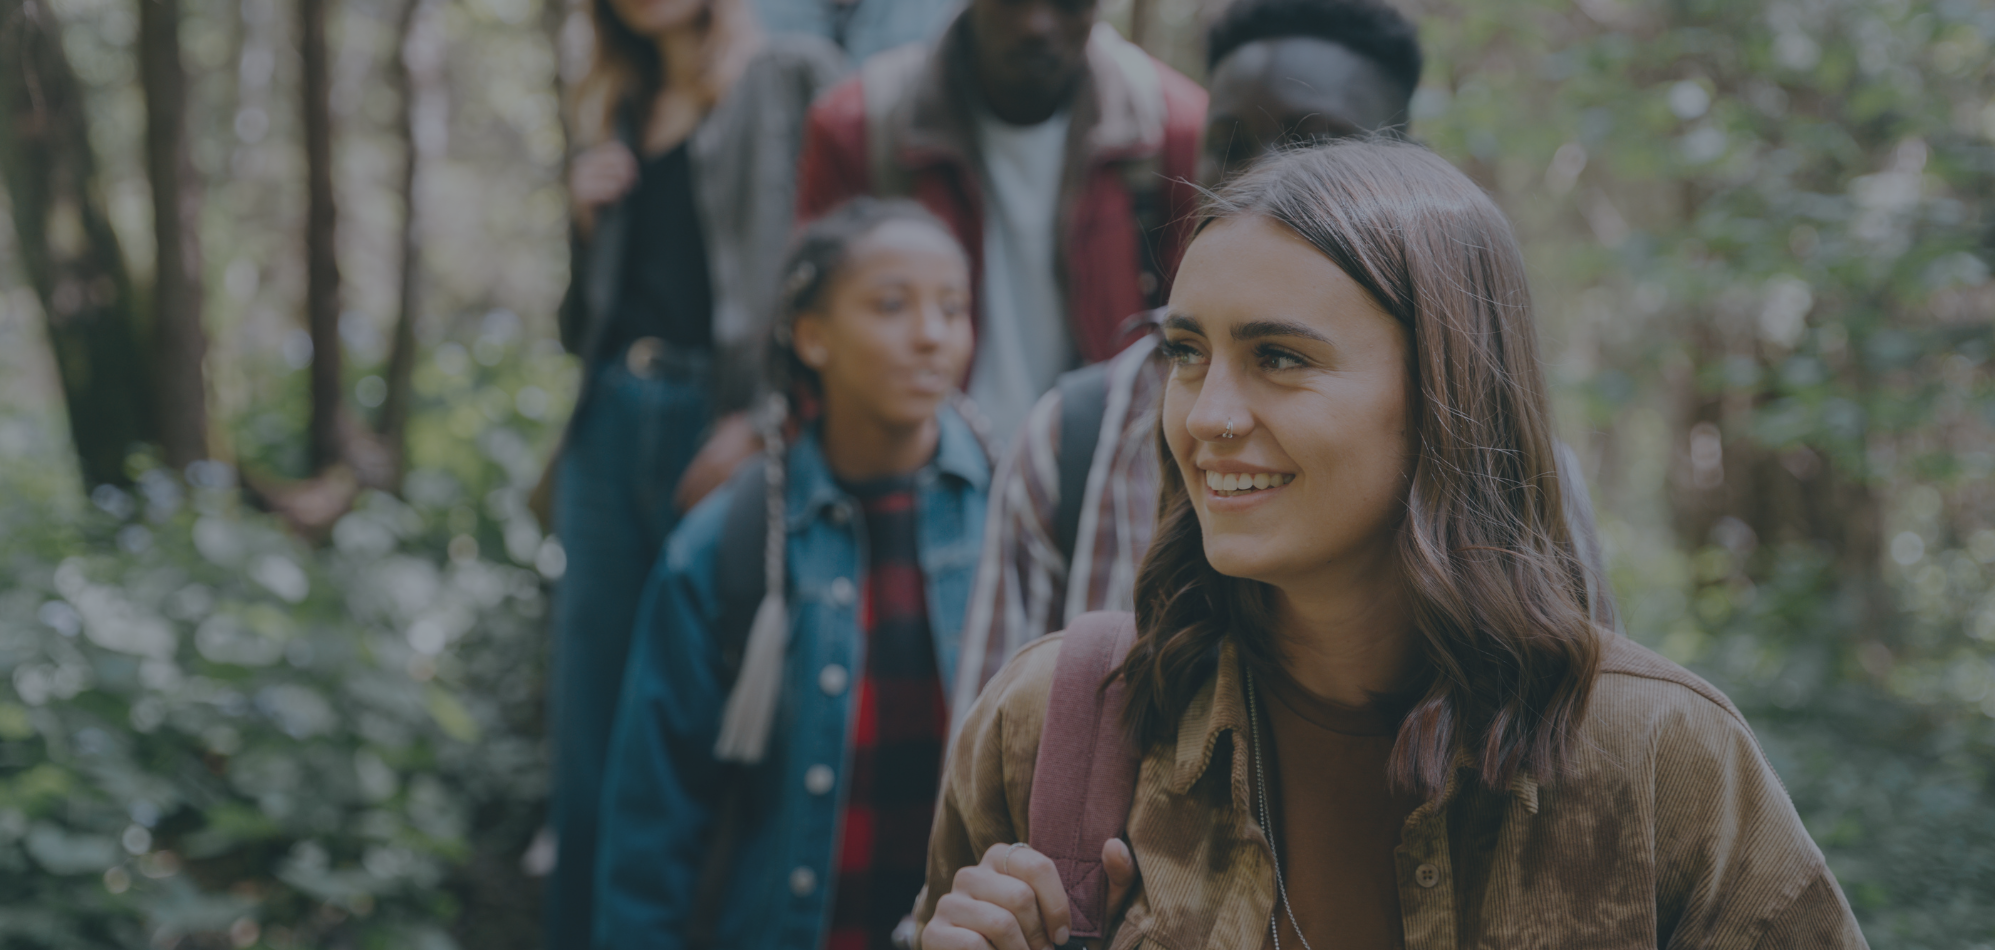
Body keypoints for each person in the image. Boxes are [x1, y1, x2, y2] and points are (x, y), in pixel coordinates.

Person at [916, 142, 1869, 949]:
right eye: (1185, 353)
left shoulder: (1661, 759)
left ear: (1445, 394)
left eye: (1279, 359)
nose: (1205, 416)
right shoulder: (1058, 727)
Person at [953, 0, 1444, 703]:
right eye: (1232, 145)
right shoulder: (1071, 441)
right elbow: (991, 772)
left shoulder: (1489, 448)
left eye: (1319, 149)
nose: (1264, 186)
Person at [594, 199, 991, 950]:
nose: (932, 334)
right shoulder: (726, 546)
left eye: (952, 306)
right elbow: (653, 827)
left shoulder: (1019, 514)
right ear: (811, 336)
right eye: (890, 305)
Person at [546, 0, 843, 941]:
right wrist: (585, 226)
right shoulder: (621, 104)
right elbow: (578, 327)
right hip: (609, 423)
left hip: (724, 431)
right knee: (587, 728)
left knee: (716, 721)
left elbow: (839, 264)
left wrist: (768, 419)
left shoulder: (795, 74)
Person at [791, 0, 1208, 442]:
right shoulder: (860, 127)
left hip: (1100, 468)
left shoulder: (1170, 130)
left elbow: (1198, 343)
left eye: (1069, 5)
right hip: (922, 469)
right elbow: (815, 329)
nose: (1036, 24)